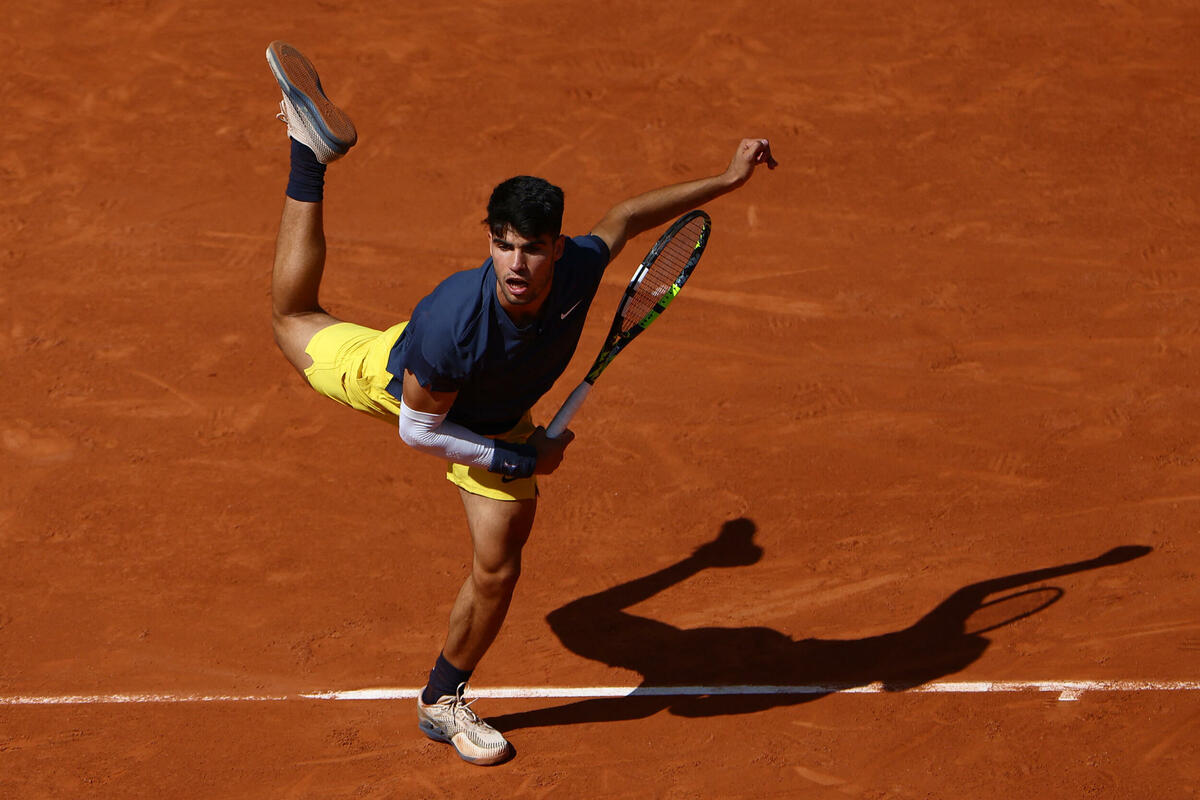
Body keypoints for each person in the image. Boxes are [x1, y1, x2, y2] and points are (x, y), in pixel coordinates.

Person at [265, 40, 776, 765]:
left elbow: (627, 215)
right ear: (490, 240)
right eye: (503, 245)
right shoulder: (452, 324)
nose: (516, 264)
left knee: (499, 567)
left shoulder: (578, 269)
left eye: (531, 248)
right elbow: (419, 430)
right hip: (413, 389)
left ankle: (441, 700)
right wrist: (517, 457)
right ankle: (308, 154)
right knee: (292, 318)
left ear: (557, 248)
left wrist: (726, 179)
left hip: (500, 420)